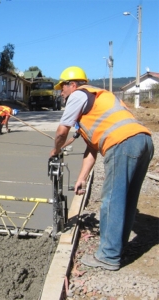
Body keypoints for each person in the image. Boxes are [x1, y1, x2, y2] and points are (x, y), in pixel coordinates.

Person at [50, 66, 154, 271]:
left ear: (73, 84)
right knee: (127, 199)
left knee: (112, 200)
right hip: (144, 141)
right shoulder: (100, 98)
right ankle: (117, 247)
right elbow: (92, 149)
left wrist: (55, 150)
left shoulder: (78, 95)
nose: (61, 92)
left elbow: (62, 131)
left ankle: (108, 256)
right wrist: (82, 177)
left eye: (62, 87)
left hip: (122, 143)